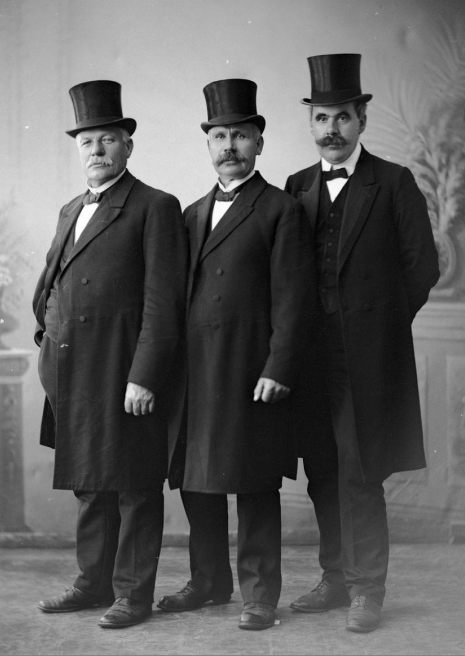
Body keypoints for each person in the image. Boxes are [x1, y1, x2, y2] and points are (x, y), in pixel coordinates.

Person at [284, 54, 440, 633]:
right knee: (322, 469)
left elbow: (422, 267)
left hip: (365, 359)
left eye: (342, 118)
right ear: (311, 123)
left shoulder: (393, 182)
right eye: (322, 118)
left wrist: (378, 328)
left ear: (361, 121)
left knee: (359, 470)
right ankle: (334, 578)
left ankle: (367, 588)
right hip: (309, 357)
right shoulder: (297, 185)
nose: (332, 129)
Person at [157, 78, 316, 630]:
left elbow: (294, 300)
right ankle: (208, 580)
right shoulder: (191, 213)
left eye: (240, 135)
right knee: (196, 478)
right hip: (195, 373)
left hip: (249, 370)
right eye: (220, 136)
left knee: (253, 480)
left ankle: (260, 594)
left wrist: (279, 367)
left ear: (259, 143)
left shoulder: (280, 210)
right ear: (208, 144)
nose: (230, 146)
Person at [33, 80, 188, 628]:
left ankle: (132, 594)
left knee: (133, 484)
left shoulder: (154, 206)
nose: (96, 150)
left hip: (123, 370)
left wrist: (145, 375)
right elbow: (51, 284)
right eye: (87, 142)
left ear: (127, 145)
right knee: (89, 482)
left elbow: (163, 302)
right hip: (72, 370)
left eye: (107, 139)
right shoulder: (70, 209)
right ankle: (92, 582)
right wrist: (47, 344)